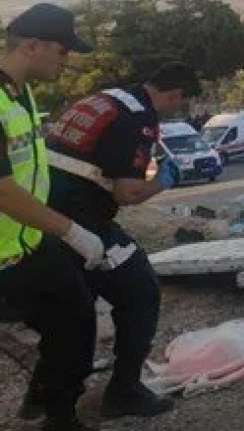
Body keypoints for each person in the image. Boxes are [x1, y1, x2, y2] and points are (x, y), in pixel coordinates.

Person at [44, 63, 198, 419]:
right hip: (79, 218)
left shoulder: (107, 98)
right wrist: (164, 181)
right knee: (140, 289)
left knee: (73, 305)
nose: (178, 108)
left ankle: (42, 395)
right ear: (175, 95)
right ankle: (124, 391)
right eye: (180, 102)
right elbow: (127, 193)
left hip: (44, 209)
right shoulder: (138, 119)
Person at [0, 4, 105, 431]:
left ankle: (56, 415)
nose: (66, 62)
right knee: (69, 322)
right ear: (32, 46)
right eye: (62, 52)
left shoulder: (18, 92)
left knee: (75, 322)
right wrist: (72, 231)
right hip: (5, 255)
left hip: (27, 245)